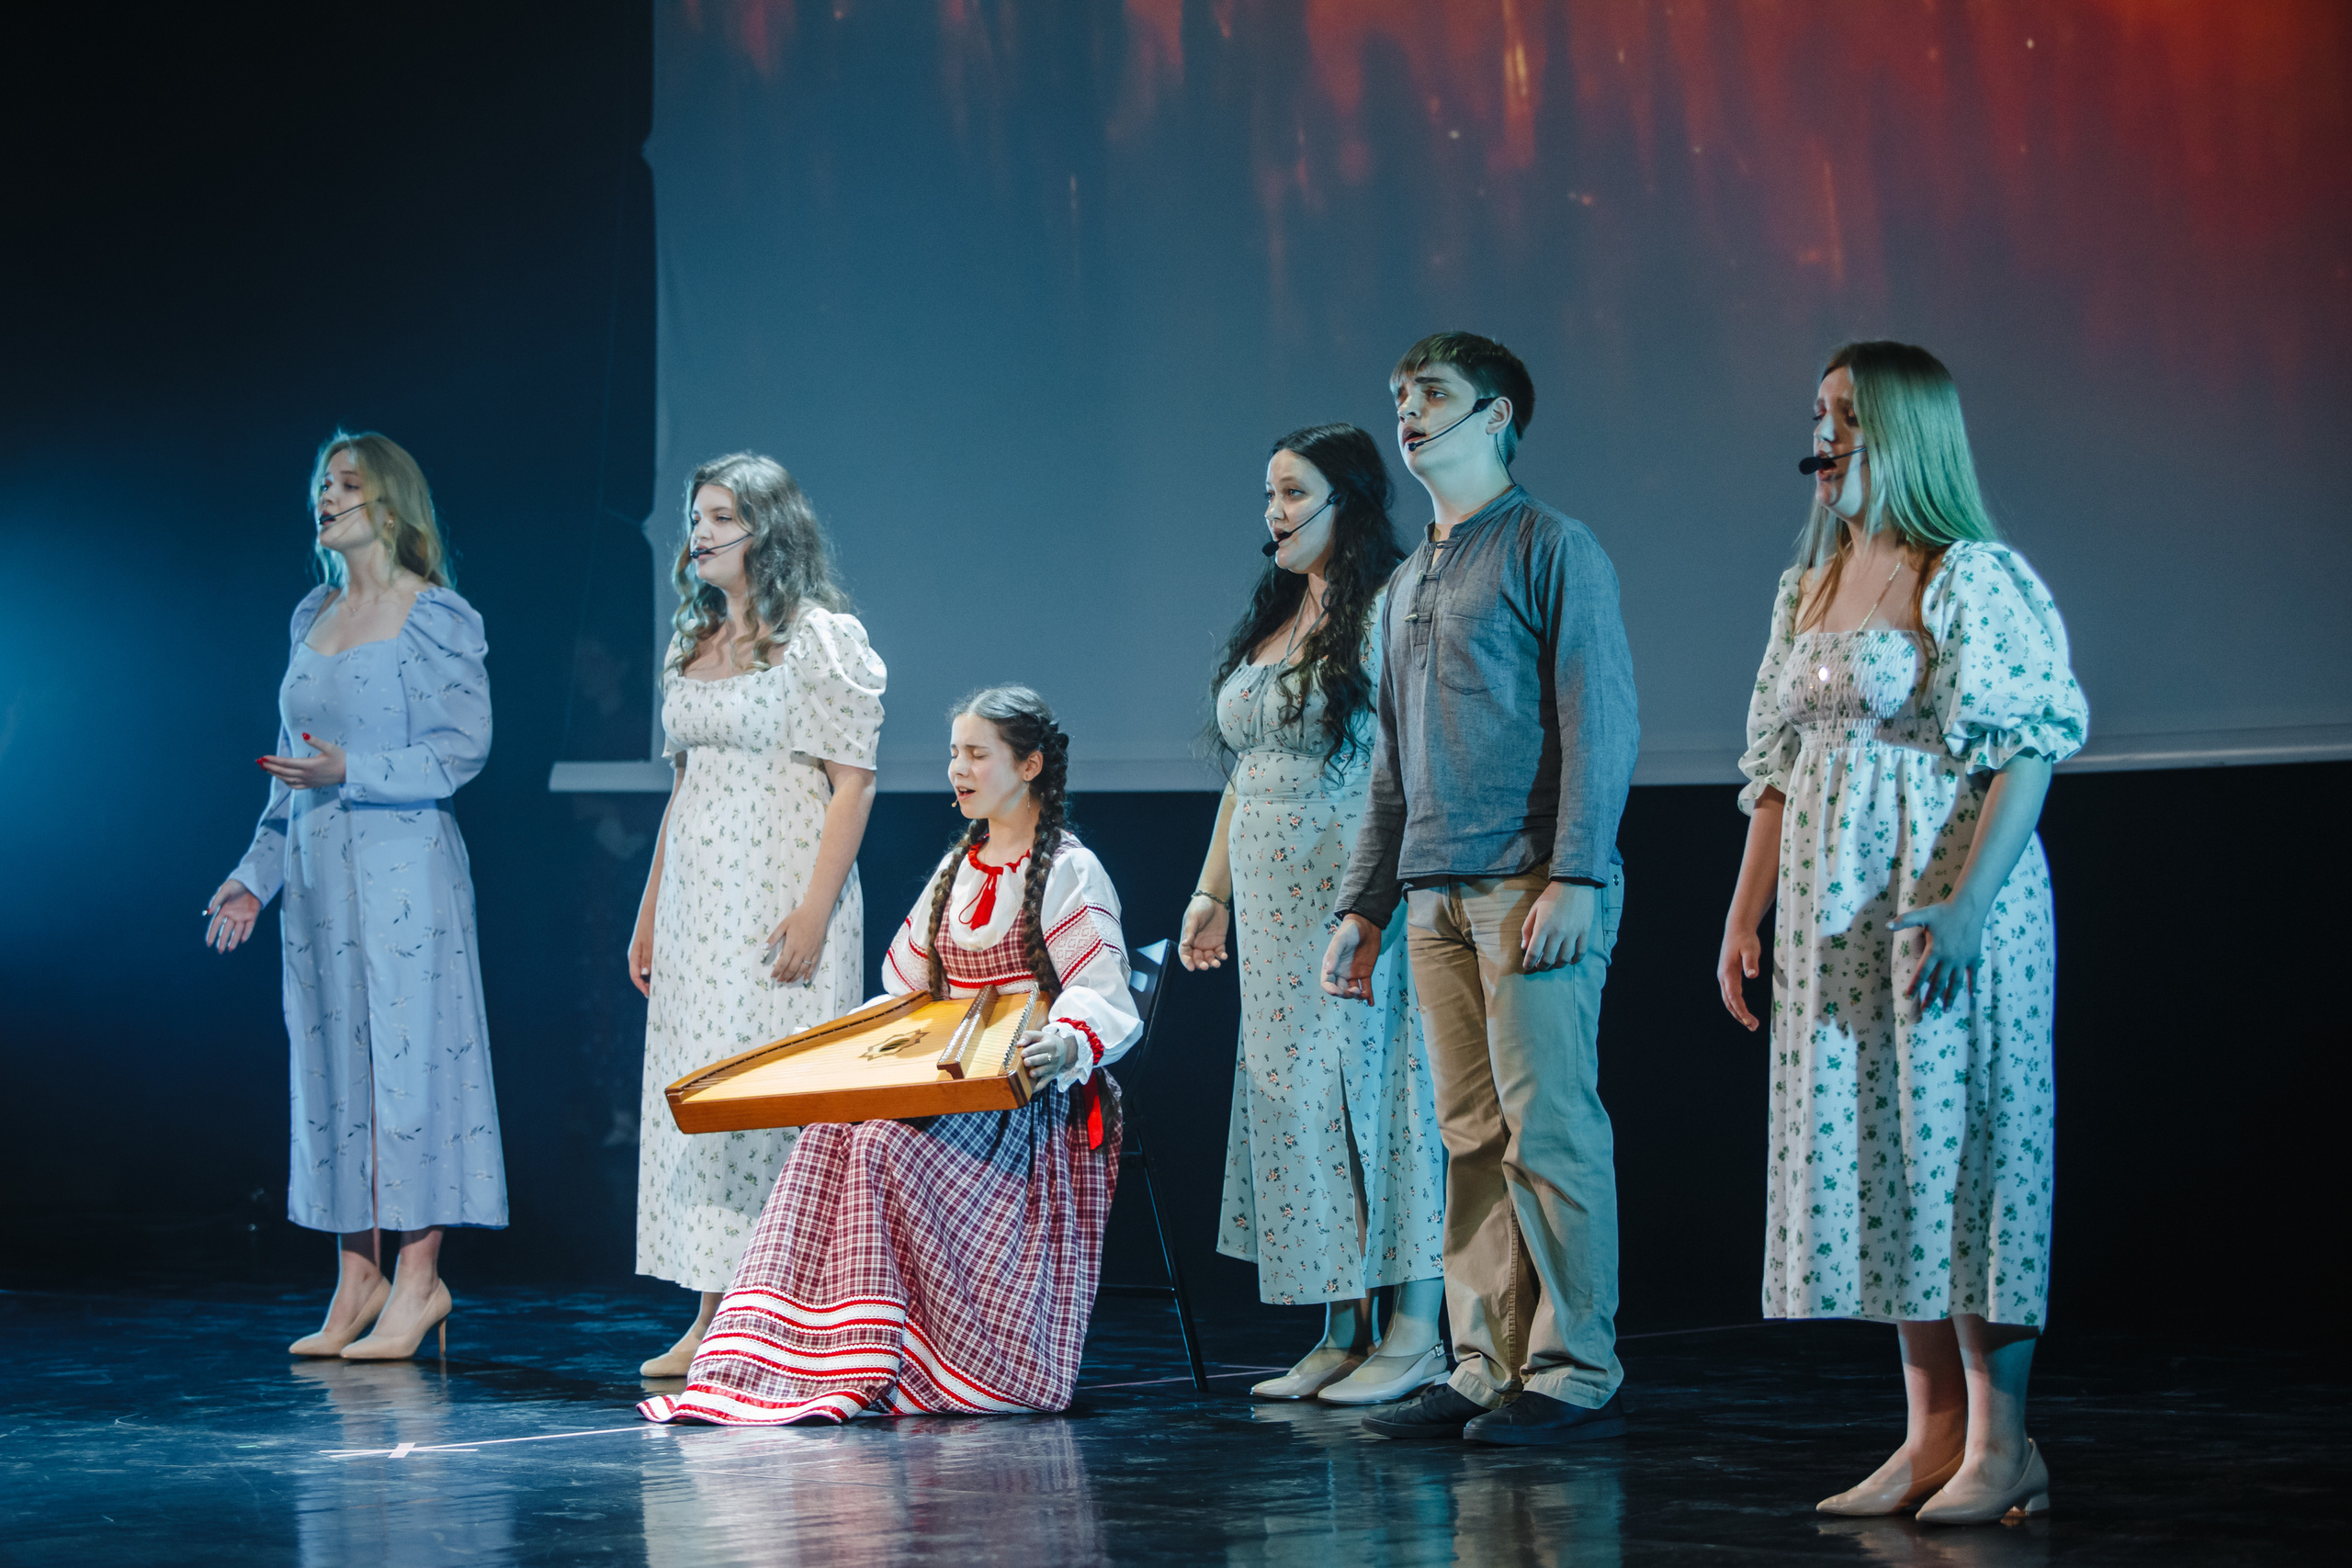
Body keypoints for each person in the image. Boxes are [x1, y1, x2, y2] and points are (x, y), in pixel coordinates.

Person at [1716, 341, 2086, 1525]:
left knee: (1967, 1153)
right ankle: (1928, 1440)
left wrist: (1970, 905)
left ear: (1902, 433)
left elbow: (2027, 746)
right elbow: (1775, 768)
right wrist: (1742, 914)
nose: (1820, 437)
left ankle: (2001, 1444)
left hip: (1945, 904)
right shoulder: (1806, 587)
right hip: (1839, 917)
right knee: (1889, 1159)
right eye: (1816, 414)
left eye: (1843, 417)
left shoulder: (1969, 575)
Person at [639, 685, 1138, 1424]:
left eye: (976, 754)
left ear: (1029, 765)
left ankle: (904, 1356)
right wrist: (836, 1053)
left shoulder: (1067, 870)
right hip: (947, 1098)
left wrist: (1061, 1043)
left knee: (878, 1149)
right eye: (953, 754)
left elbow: (1105, 996)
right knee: (830, 1134)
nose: (956, 770)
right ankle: (799, 1354)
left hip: (1028, 1110)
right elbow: (902, 993)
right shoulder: (958, 868)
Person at [1321, 332, 1640, 1445]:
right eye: (1401, 396)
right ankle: (1483, 1362)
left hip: (1529, 886)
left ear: (1496, 413)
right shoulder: (1408, 579)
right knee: (1467, 1133)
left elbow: (1598, 724)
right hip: (1432, 897)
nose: (1409, 414)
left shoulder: (1554, 548)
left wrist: (1579, 874)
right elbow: (1392, 766)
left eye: (1435, 395)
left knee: (1546, 1126)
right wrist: (1362, 907)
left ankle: (1571, 1366)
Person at [204, 431, 505, 1360]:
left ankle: (421, 1280)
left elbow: (464, 750)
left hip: (404, 868)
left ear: (387, 502)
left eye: (345, 483)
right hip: (321, 875)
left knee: (409, 1068)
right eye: (321, 484)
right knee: (336, 1069)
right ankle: (356, 1277)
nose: (325, 496)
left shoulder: (434, 616)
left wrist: (356, 769)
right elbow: (289, 764)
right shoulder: (313, 615)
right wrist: (253, 874)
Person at [1180, 423, 1446, 1404]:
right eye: (1268, 497)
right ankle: (1341, 1325)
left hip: (1350, 885)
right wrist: (1212, 892)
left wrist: (1374, 899)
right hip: (1269, 902)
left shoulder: (1388, 610)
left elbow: (1406, 762)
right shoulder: (1280, 615)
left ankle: (1416, 1327)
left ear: (1350, 503)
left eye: (1293, 495)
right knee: (1297, 1105)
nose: (1274, 515)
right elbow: (1246, 777)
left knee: (1380, 1094)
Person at [628, 453, 884, 1377]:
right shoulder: (690, 640)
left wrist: (815, 911)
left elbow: (852, 785)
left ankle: (774, 1309)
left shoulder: (821, 639)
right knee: (703, 1097)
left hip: (779, 898)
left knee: (767, 1096)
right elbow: (682, 788)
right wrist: (650, 910)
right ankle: (708, 1308)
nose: (699, 533)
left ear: (767, 529)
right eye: (696, 517)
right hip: (698, 908)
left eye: (721, 516)